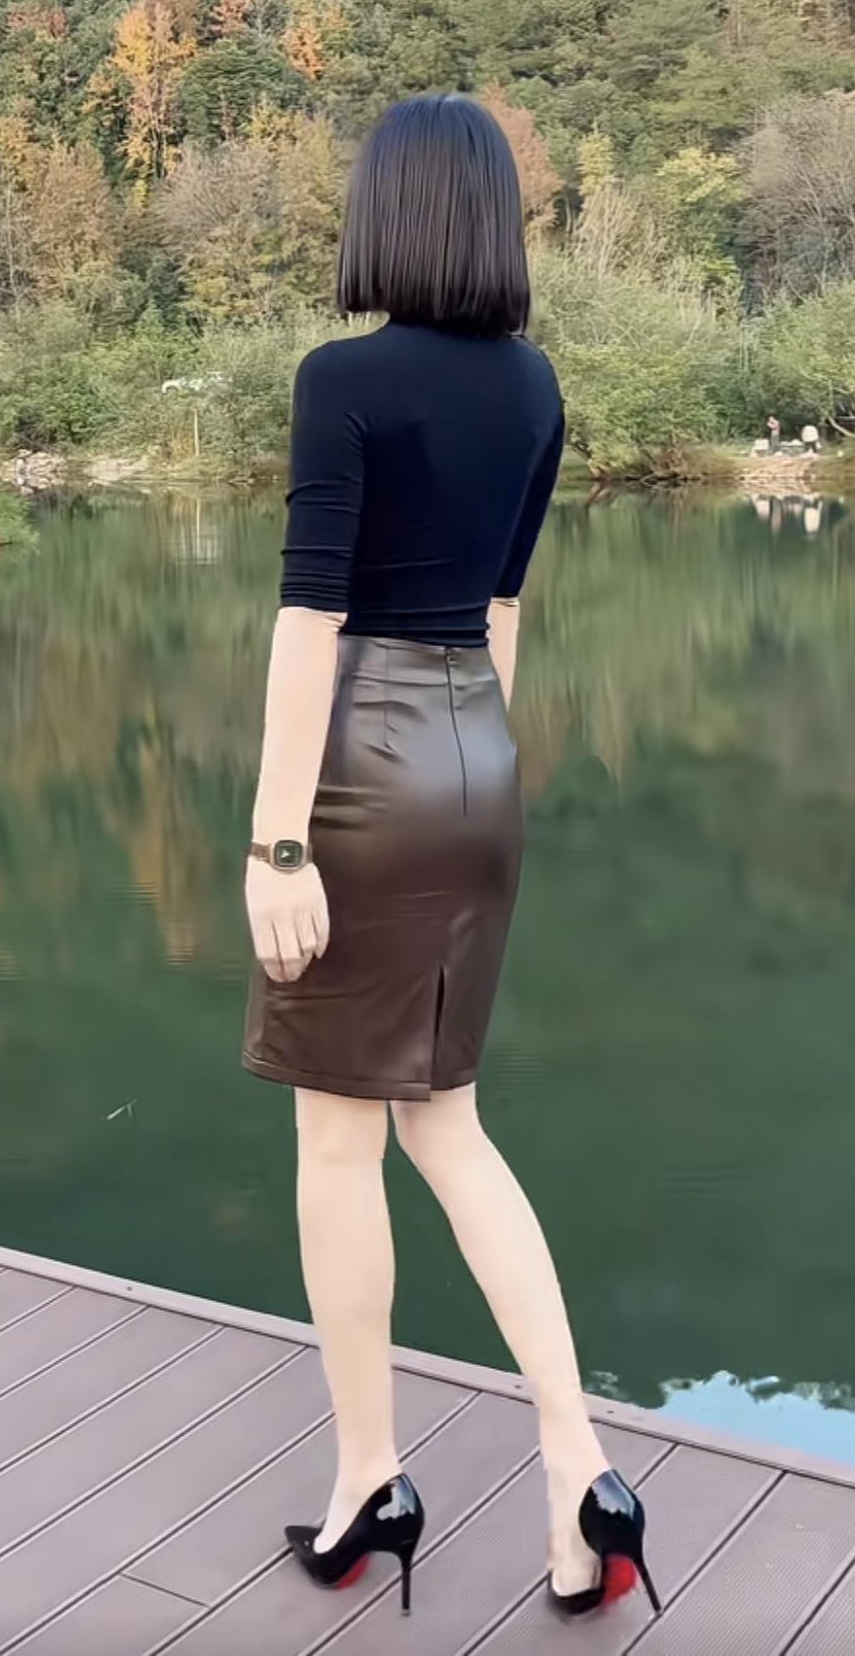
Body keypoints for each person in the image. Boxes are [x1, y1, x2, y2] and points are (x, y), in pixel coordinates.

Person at [241, 96, 659, 1622]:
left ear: (386, 213)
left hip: (368, 769)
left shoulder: (343, 381)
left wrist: (281, 839)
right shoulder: (534, 387)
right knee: (449, 1127)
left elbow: (312, 622)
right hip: (483, 760)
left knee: (339, 1142)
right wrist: (473, 768)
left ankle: (369, 1479)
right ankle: (580, 1471)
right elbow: (501, 615)